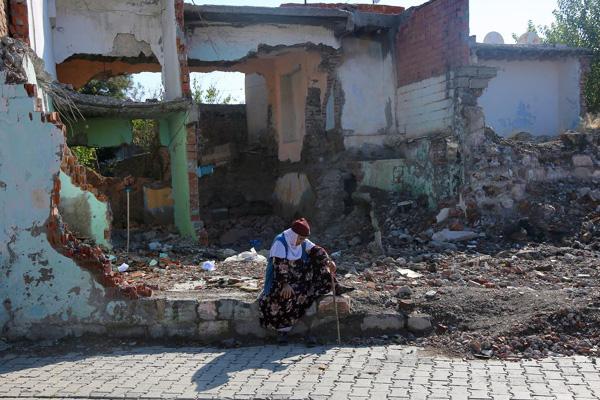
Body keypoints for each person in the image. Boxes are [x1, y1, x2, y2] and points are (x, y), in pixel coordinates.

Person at [259, 218, 353, 345]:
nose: (301, 242)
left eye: (303, 239)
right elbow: (279, 266)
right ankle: (283, 332)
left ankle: (334, 285)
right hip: (280, 281)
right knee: (289, 295)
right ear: (294, 235)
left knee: (319, 262)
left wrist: (328, 262)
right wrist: (285, 285)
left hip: (298, 277)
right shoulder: (280, 242)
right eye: (300, 239)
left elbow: (317, 250)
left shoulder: (302, 242)